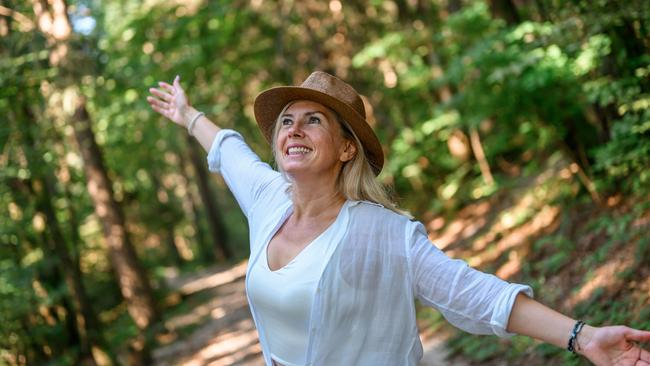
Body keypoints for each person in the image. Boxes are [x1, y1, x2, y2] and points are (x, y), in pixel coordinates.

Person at [147, 71, 650, 366]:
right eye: (286, 121)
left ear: (347, 148)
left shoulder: (382, 233)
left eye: (313, 119)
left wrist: (582, 336)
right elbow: (228, 149)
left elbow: (474, 294)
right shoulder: (267, 199)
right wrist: (189, 115)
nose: (293, 128)